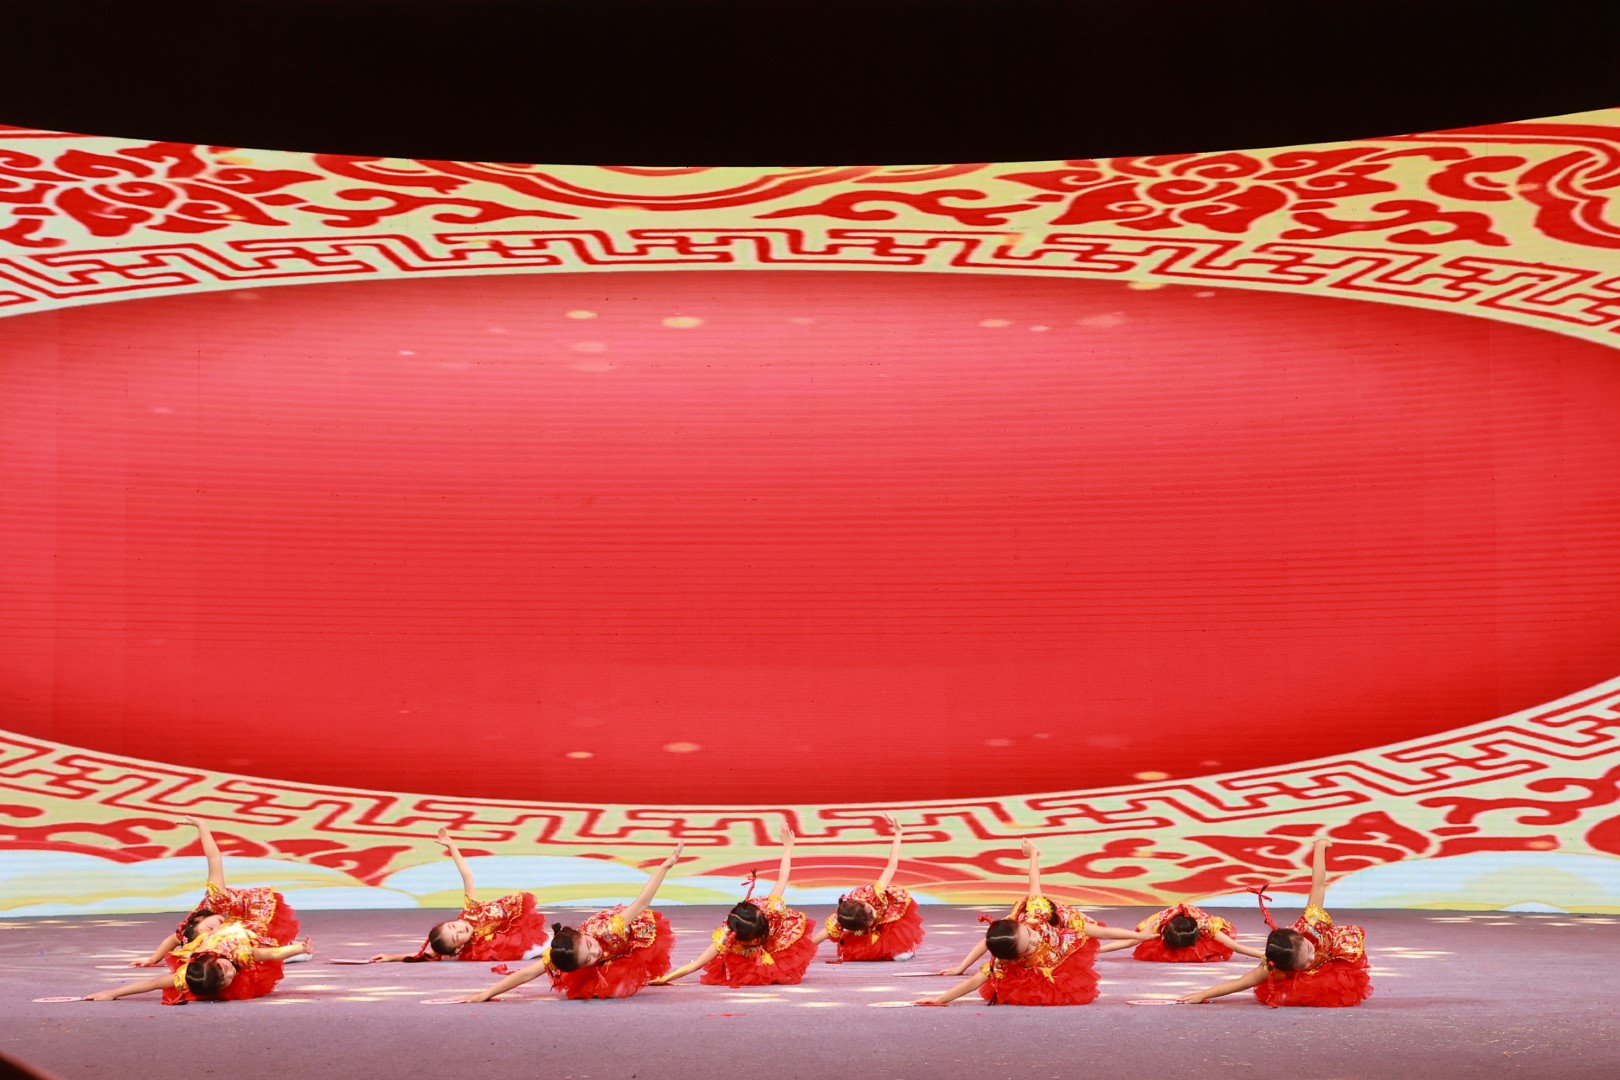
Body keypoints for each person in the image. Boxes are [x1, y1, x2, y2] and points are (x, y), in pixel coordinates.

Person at [919, 840, 1154, 1006]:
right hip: (1036, 962)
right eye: (1028, 946)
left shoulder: (1037, 916)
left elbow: (1034, 883)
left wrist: (1032, 856)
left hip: (1060, 942)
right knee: (1002, 959)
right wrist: (941, 998)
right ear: (1014, 957)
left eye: (1029, 935)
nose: (1035, 940)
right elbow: (975, 980)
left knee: (1090, 936)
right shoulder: (1002, 960)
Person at [454, 844, 684, 1001]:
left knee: (621, 984)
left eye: (589, 948)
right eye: (588, 958)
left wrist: (665, 866)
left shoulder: (610, 927)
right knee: (596, 991)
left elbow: (642, 902)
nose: (594, 953)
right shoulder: (563, 956)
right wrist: (486, 994)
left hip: (630, 936)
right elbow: (525, 974)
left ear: (582, 936)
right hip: (601, 952)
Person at [1179, 839, 1373, 1007]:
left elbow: (1319, 884)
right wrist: (1203, 994)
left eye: (1308, 950)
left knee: (1338, 985)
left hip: (1332, 956)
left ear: (1299, 937)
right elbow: (1241, 982)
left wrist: (1320, 847)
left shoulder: (1311, 922)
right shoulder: (1272, 966)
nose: (1311, 957)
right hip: (1306, 974)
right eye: (1305, 962)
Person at [126, 815, 300, 967]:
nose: (217, 928)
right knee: (249, 955)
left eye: (210, 927)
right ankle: (293, 951)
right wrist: (152, 960)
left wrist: (201, 826)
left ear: (199, 919)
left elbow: (214, 858)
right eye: (213, 932)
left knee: (268, 938)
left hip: (251, 910)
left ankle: (290, 948)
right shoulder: (216, 938)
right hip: (238, 932)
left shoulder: (216, 898)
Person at [653, 828, 817, 986]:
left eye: (756, 939)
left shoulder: (772, 909)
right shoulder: (727, 936)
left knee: (783, 970)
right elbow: (696, 964)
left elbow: (782, 878)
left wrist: (788, 848)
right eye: (751, 941)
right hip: (745, 949)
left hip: (775, 939)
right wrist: (665, 978)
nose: (755, 941)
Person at [366, 828, 548, 964]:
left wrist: (452, 847)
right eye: (456, 937)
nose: (459, 930)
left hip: (516, 915)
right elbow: (425, 954)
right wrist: (390, 957)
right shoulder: (469, 946)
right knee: (537, 950)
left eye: (453, 926)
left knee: (547, 943)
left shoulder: (470, 911)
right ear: (459, 947)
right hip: (512, 937)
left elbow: (467, 876)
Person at [807, 813, 925, 962]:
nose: (873, 914)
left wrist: (898, 833)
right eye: (871, 917)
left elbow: (892, 865)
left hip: (888, 915)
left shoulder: (874, 893)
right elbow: (813, 942)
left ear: (863, 903)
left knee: (900, 955)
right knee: (871, 952)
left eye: (870, 910)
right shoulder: (839, 920)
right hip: (866, 930)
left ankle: (907, 946)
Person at [1095, 902, 1264, 963]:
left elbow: (1236, 946)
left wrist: (1266, 955)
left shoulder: (1207, 926)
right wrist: (1097, 951)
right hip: (1166, 927)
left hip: (1198, 927)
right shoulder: (1156, 924)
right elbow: (1129, 940)